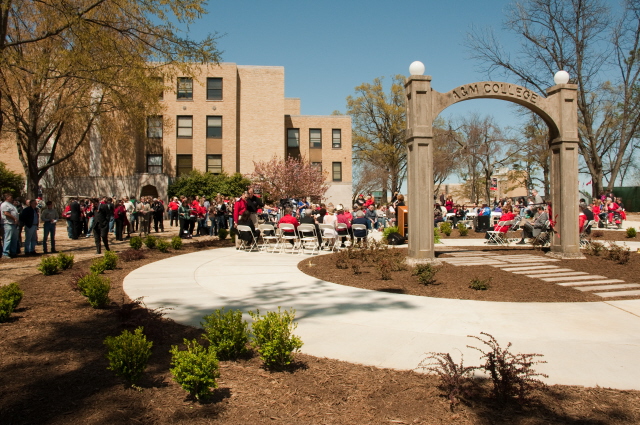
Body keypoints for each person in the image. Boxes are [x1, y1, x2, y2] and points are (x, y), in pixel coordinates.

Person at [1, 193, 19, 258]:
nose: (12, 198)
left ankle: (13, 252)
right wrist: (14, 218)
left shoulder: (11, 205)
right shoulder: (4, 204)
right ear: (7, 197)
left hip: (14, 224)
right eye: (11, 197)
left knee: (14, 239)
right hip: (8, 223)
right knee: (7, 238)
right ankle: (5, 253)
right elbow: (6, 213)